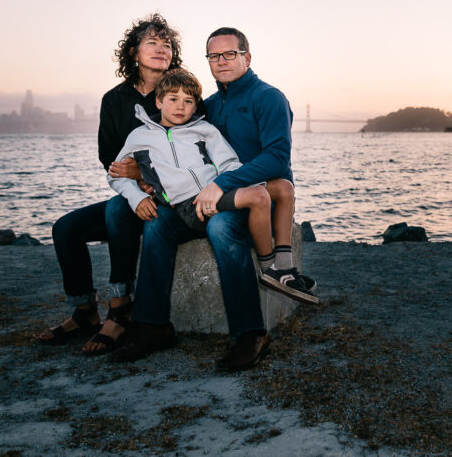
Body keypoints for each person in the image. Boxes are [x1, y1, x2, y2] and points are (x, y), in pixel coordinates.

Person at [113, 27, 305, 369]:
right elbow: (177, 149)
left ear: (247, 56)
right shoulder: (208, 107)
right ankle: (152, 326)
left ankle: (250, 334)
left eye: (229, 54)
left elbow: (277, 159)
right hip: (197, 200)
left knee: (221, 229)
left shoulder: (269, 98)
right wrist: (143, 178)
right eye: (213, 56)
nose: (221, 61)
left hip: (248, 201)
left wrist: (223, 183)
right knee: (156, 223)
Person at [36, 13, 182, 355]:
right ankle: (85, 311)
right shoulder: (114, 100)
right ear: (133, 52)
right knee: (66, 229)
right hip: (132, 195)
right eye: (152, 43)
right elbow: (111, 160)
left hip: (172, 198)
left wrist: (147, 179)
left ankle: (120, 309)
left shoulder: (180, 94)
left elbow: (190, 155)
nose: (161, 49)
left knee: (118, 210)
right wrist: (133, 183)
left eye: (167, 44)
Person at [108, 68, 317, 305]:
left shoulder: (204, 129)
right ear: (158, 101)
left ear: (196, 106)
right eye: (173, 99)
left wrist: (221, 183)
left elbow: (229, 162)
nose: (180, 107)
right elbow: (116, 175)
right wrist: (137, 197)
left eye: (188, 101)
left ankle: (284, 265)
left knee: (283, 187)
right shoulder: (140, 136)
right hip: (190, 204)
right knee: (258, 196)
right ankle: (269, 268)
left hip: (215, 191)